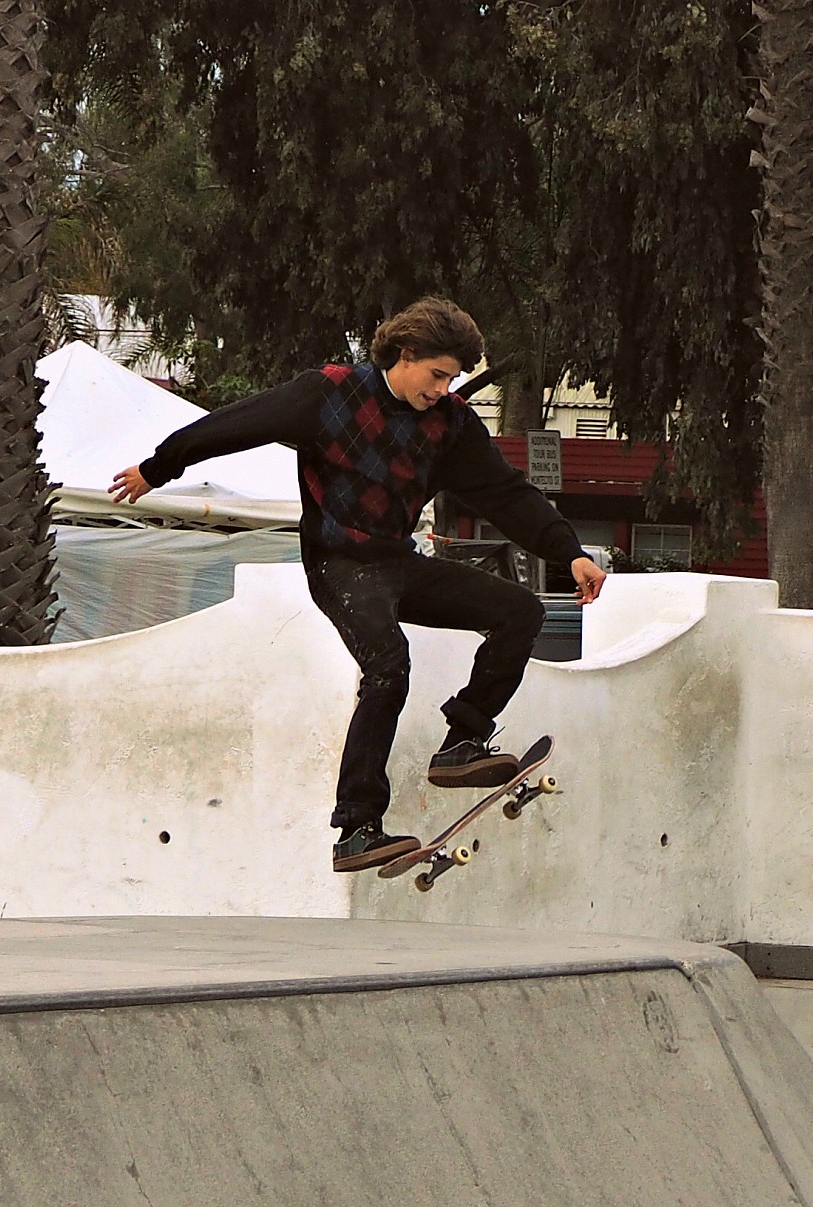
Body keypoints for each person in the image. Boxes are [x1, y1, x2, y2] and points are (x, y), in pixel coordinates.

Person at [110, 297, 606, 872]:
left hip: (397, 560)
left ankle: (461, 744)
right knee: (388, 663)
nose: (443, 389)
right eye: (437, 374)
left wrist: (566, 551)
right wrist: (159, 466)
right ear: (404, 353)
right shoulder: (330, 394)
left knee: (519, 611)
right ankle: (357, 827)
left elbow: (504, 493)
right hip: (337, 563)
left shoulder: (450, 425)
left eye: (454, 379)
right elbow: (234, 425)